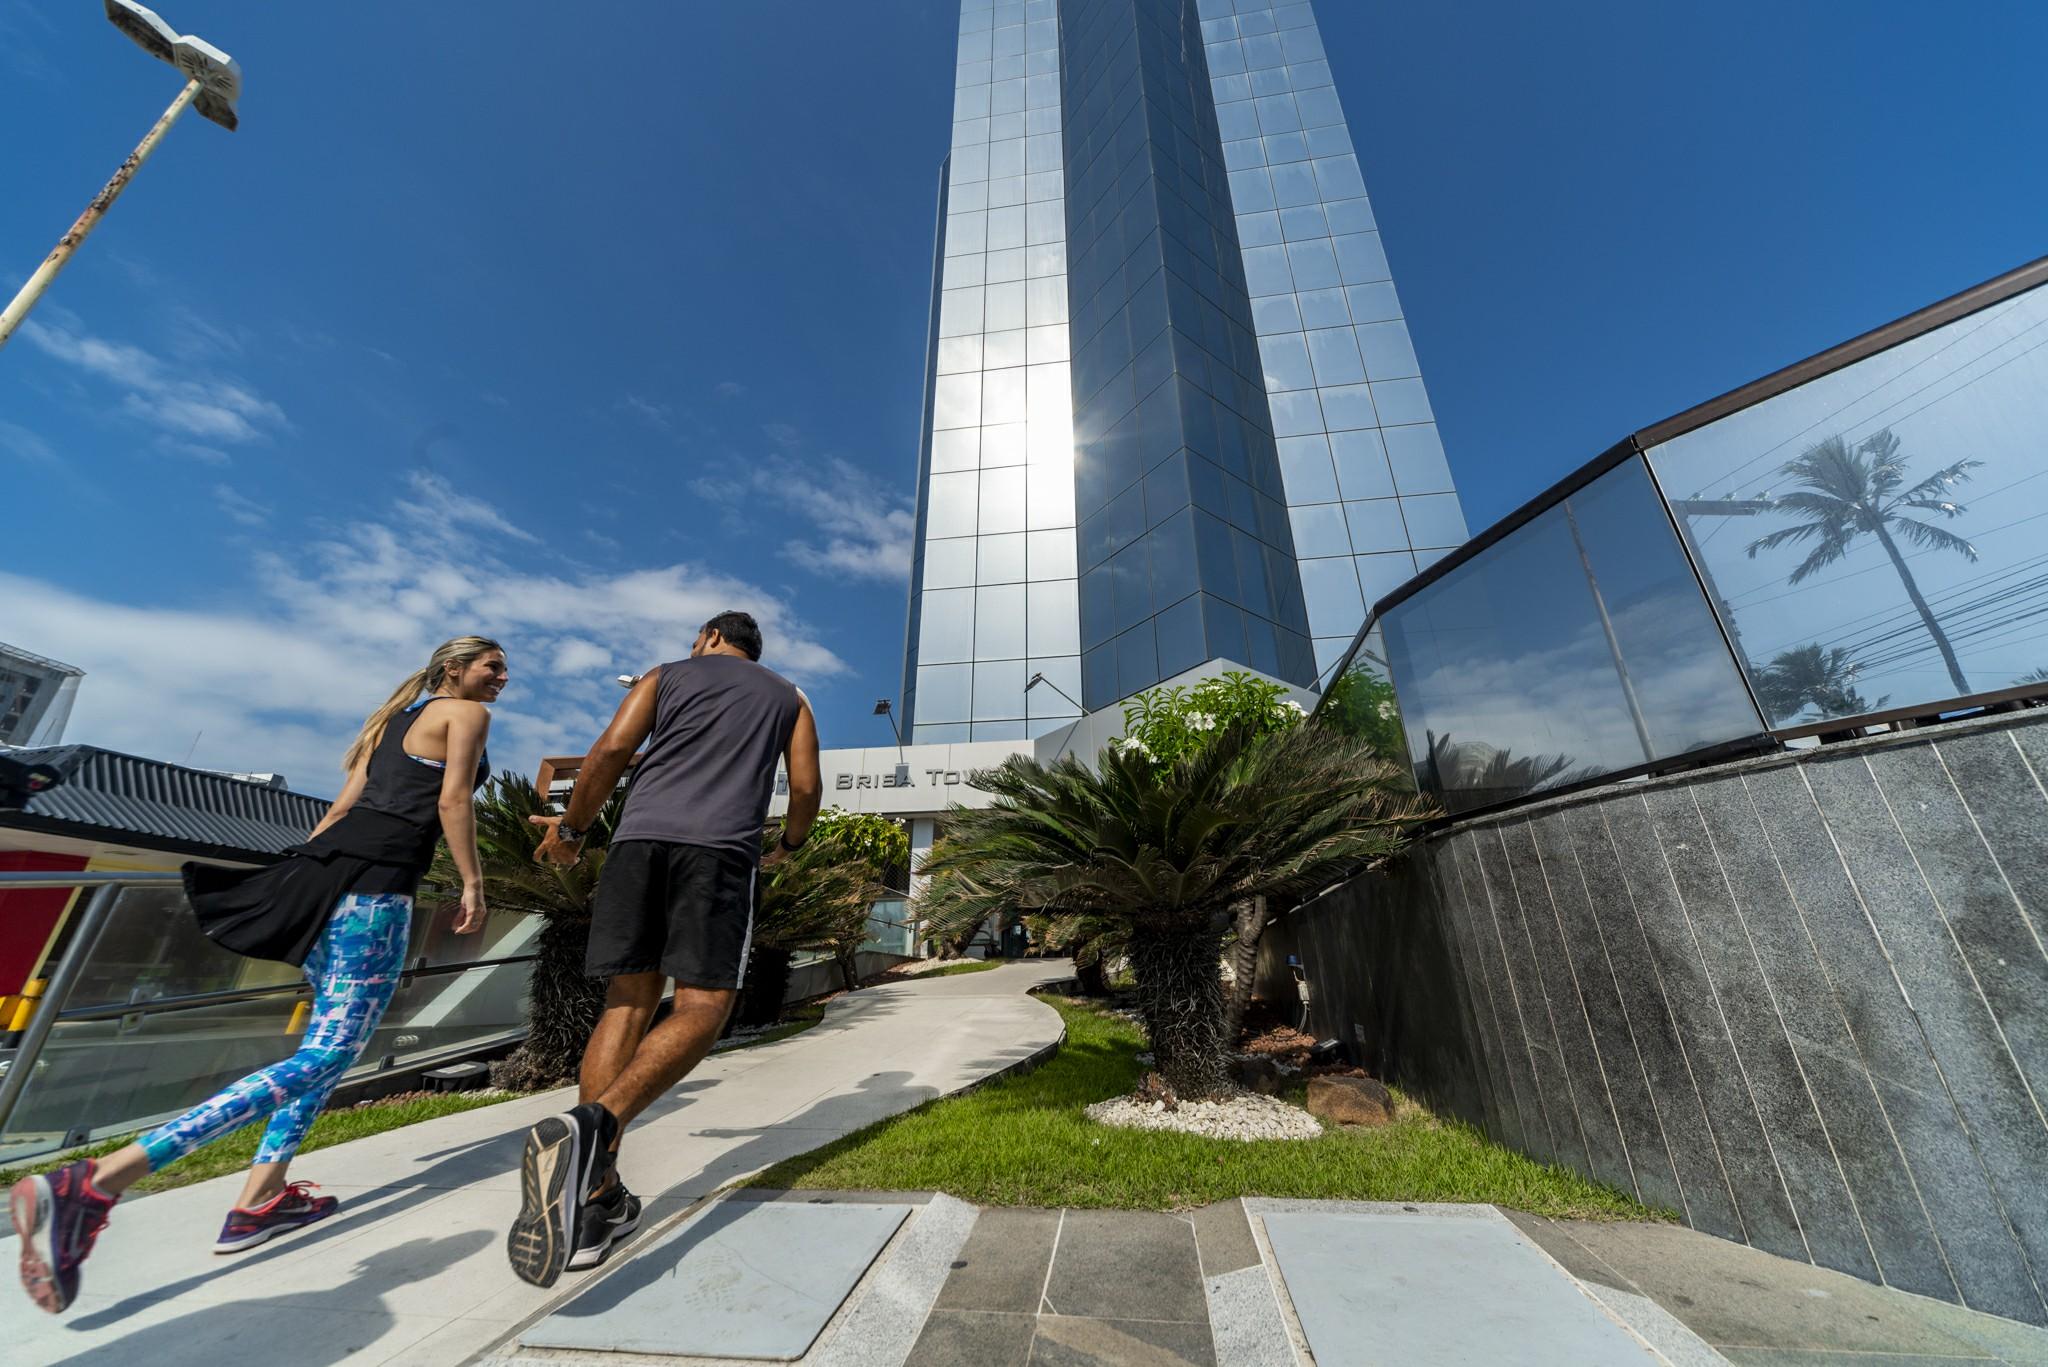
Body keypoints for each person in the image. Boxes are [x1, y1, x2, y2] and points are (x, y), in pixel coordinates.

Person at [10, 636, 506, 1315]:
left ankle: (259, 1199)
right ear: (455, 668)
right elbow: (454, 801)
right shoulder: (466, 714)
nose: (502, 678)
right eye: (493, 665)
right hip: (375, 889)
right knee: (334, 1049)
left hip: (326, 877)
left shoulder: (390, 720)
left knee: (321, 1050)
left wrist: (297, 879)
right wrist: (473, 884)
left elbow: (337, 811)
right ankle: (99, 1180)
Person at [508, 610, 820, 1286]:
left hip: (636, 846)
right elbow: (804, 788)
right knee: (705, 1005)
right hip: (719, 853)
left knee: (626, 1003)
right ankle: (597, 1126)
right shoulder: (789, 696)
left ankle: (593, 1205)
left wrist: (571, 829)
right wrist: (790, 845)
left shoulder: (665, 676)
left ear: (711, 636)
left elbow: (612, 750)